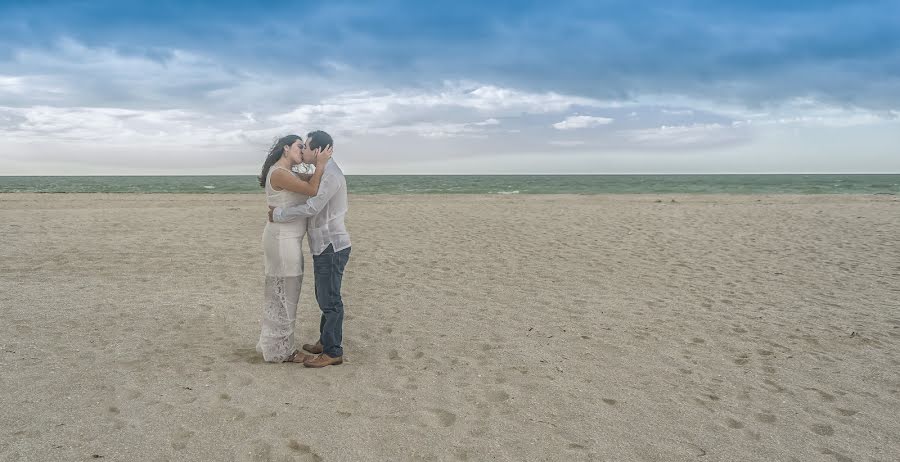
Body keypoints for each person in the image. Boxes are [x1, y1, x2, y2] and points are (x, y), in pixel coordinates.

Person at [269, 130, 350, 368]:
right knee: (323, 295)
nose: (302, 150)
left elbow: (313, 206)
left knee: (330, 300)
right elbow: (302, 175)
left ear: (318, 150)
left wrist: (279, 213)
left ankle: (333, 351)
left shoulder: (331, 175)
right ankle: (326, 342)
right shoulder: (322, 170)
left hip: (331, 245)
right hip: (323, 245)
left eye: (306, 146)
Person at [257, 134, 332, 363]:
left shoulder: (287, 172)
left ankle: (276, 346)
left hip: (286, 239)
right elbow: (311, 189)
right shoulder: (280, 173)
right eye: (299, 146)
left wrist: (322, 164)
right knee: (286, 294)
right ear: (286, 148)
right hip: (282, 241)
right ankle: (284, 351)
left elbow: (315, 181)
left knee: (284, 294)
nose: (302, 150)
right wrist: (320, 164)